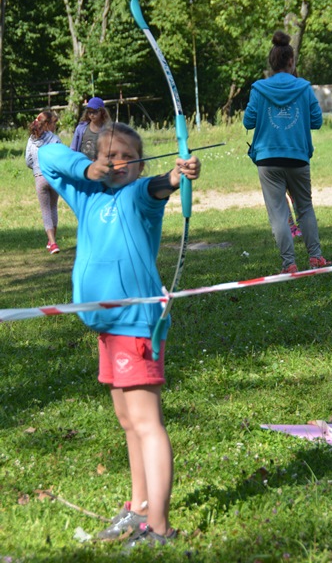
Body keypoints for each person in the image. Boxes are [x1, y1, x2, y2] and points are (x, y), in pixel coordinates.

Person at [39, 122, 201, 548]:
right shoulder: (88, 194)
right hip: (107, 328)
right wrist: (86, 169)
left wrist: (177, 175)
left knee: (147, 423)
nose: (117, 163)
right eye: (109, 156)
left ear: (140, 164)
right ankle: (140, 507)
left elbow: (160, 186)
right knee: (129, 422)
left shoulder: (137, 195)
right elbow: (47, 157)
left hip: (134, 325)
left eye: (127, 156)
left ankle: (160, 528)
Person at [243, 31, 331, 273]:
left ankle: (289, 264)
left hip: (268, 159)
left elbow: (248, 121)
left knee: (278, 213)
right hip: (298, 157)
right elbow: (317, 121)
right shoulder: (304, 88)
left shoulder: (259, 89)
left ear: (271, 63)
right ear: (291, 61)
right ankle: (315, 257)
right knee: (305, 207)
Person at [25, 110, 62, 254]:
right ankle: (52, 241)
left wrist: (36, 167)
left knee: (45, 210)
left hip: (39, 178)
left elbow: (28, 161)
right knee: (53, 208)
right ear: (46, 125)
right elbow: (61, 155)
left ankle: (52, 243)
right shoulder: (53, 138)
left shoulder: (31, 141)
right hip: (53, 177)